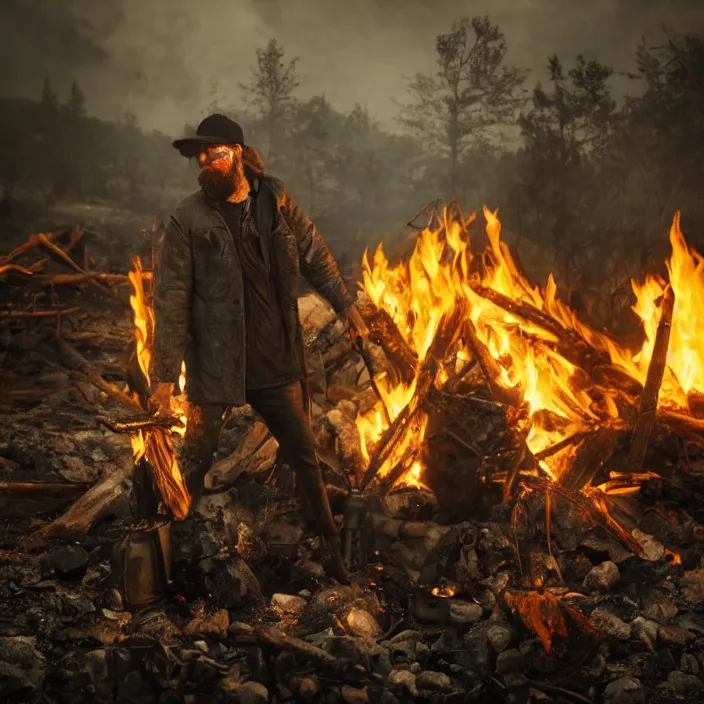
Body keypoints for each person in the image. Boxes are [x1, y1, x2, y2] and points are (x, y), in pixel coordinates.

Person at [150, 113, 369, 583]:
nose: (206, 164)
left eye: (216, 155)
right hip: (216, 364)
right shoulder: (186, 220)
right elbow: (170, 303)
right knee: (195, 457)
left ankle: (333, 553)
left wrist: (348, 308)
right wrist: (163, 380)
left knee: (305, 455)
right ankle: (171, 554)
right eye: (201, 158)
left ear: (239, 156)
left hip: (276, 358)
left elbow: (314, 252)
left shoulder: (274, 197)